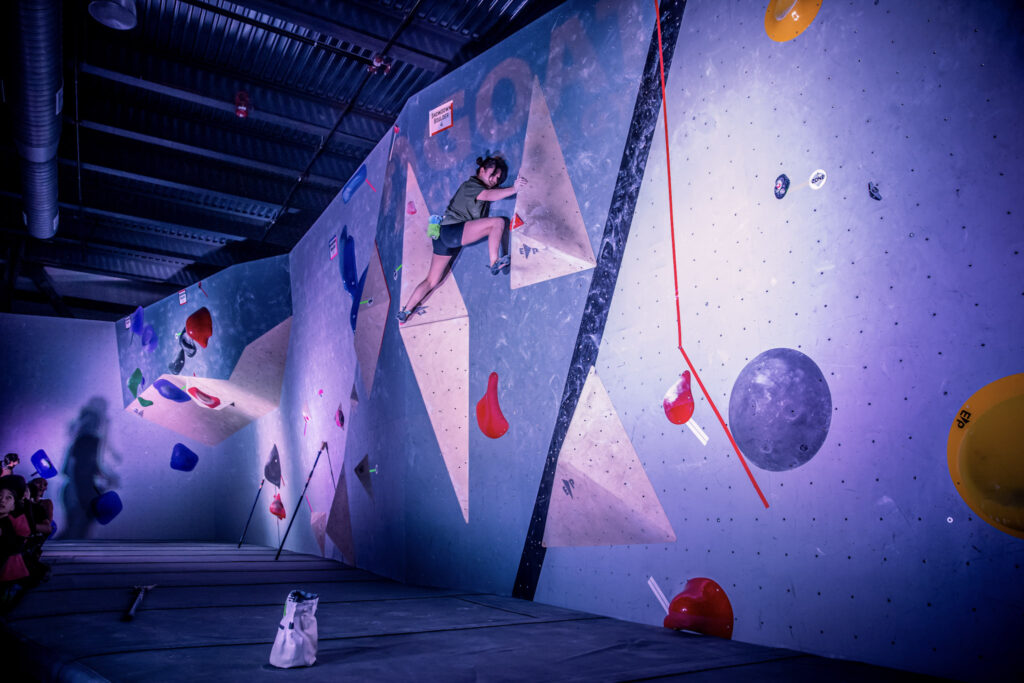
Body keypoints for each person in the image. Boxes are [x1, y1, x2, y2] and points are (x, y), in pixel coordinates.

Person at [396, 155, 527, 323]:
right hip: (451, 231)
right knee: (498, 223)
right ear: (482, 170)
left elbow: (488, 196)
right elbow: (489, 195)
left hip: (444, 237)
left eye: (498, 178)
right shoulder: (471, 185)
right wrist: (514, 188)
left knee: (432, 280)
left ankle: (405, 312)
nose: (495, 179)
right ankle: (495, 262)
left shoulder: (476, 187)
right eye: (493, 174)